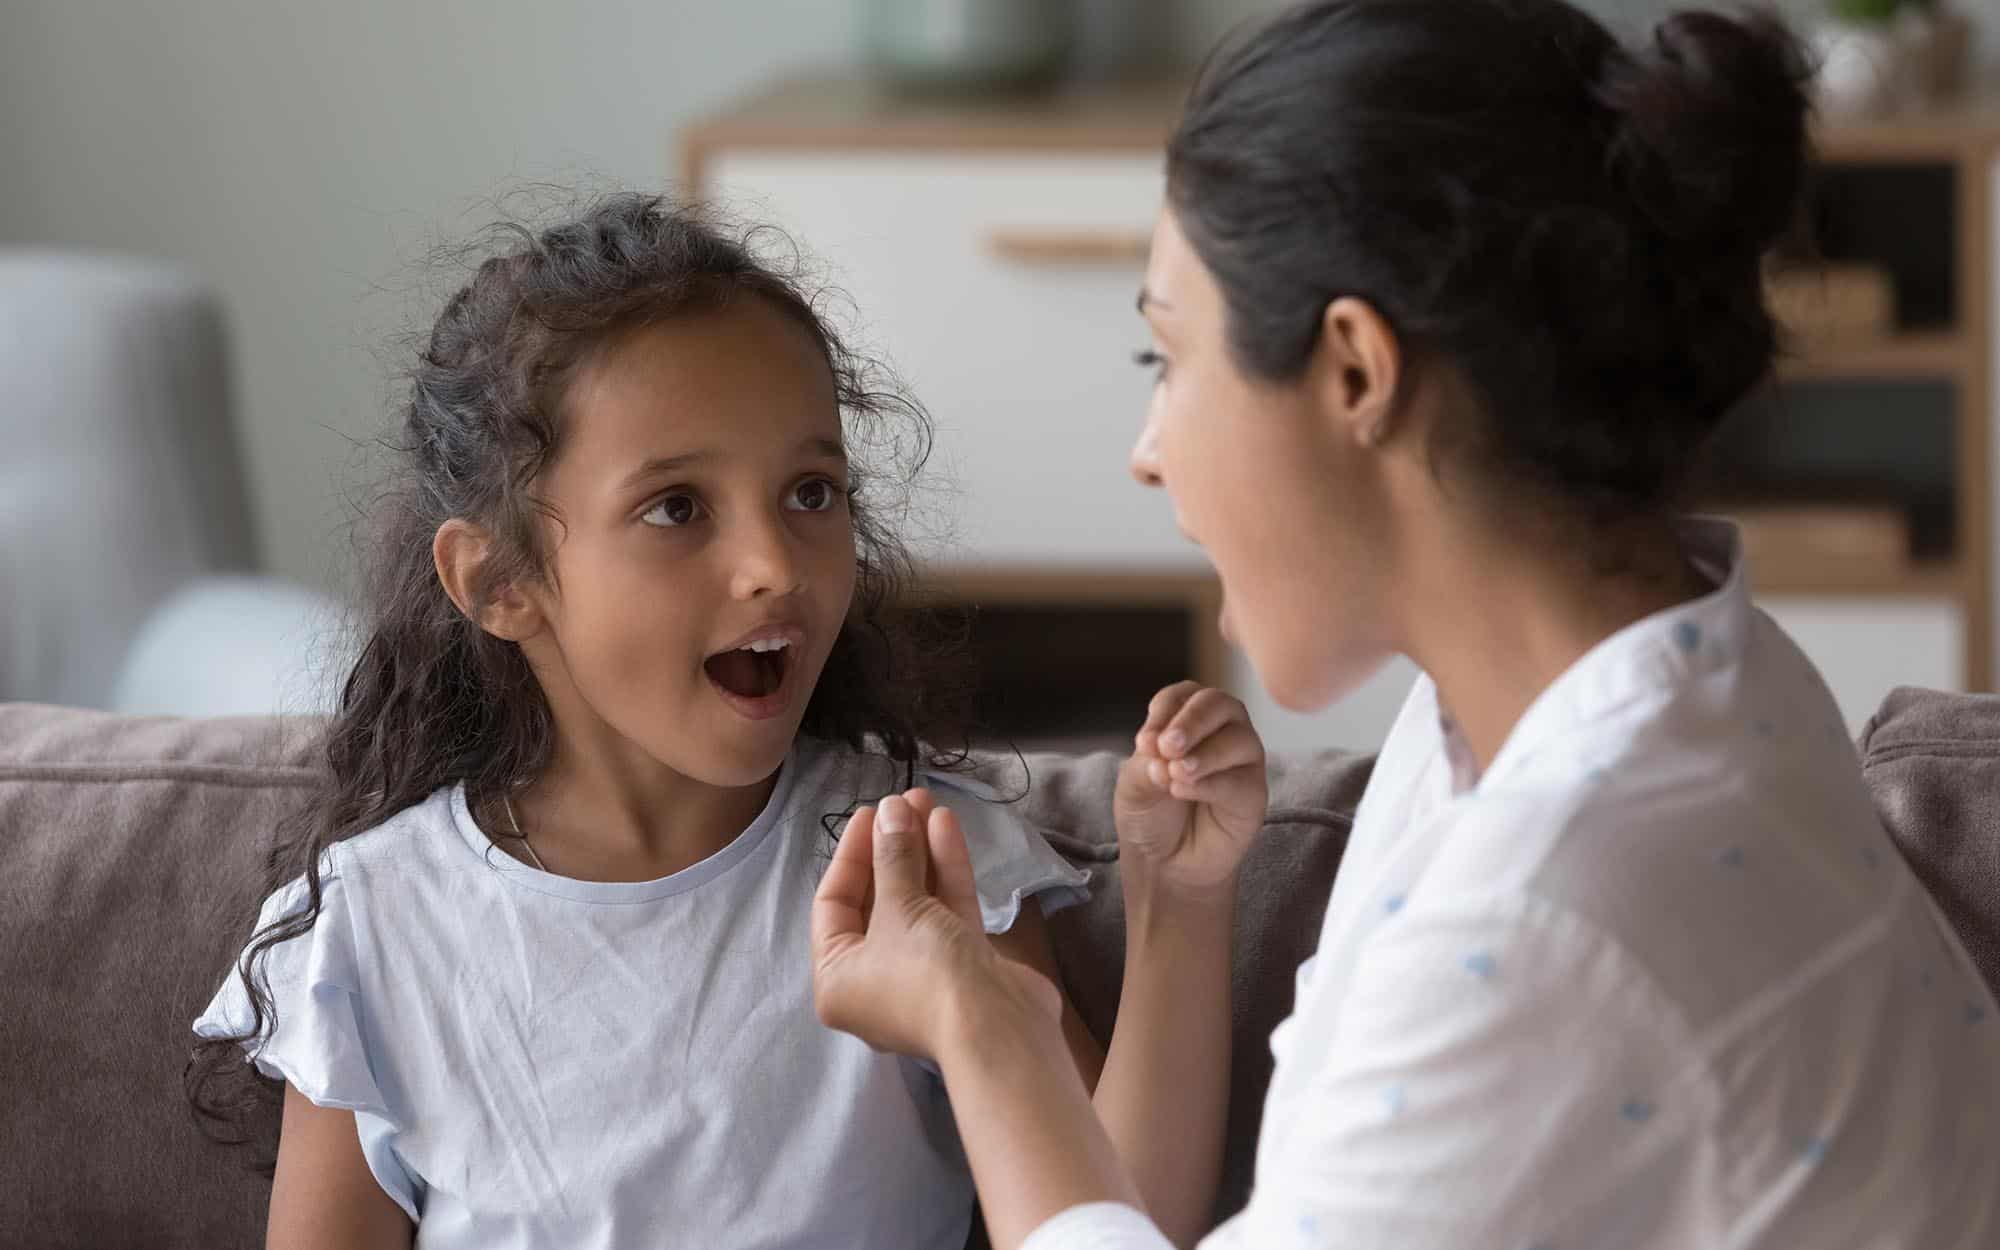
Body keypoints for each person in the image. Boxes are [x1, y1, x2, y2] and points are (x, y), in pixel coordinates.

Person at [808, 3, 2000, 1248]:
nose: (1147, 452)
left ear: (1354, 374)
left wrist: (988, 1032)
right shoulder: (1666, 682)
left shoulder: (1551, 908)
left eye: (1165, 356)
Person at [186, 194, 1267, 1249]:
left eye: (809, 492)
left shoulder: (917, 865)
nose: (773, 566)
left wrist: (1178, 898)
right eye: (676, 507)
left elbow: (1118, 1227)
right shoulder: (372, 937)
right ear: (499, 578)